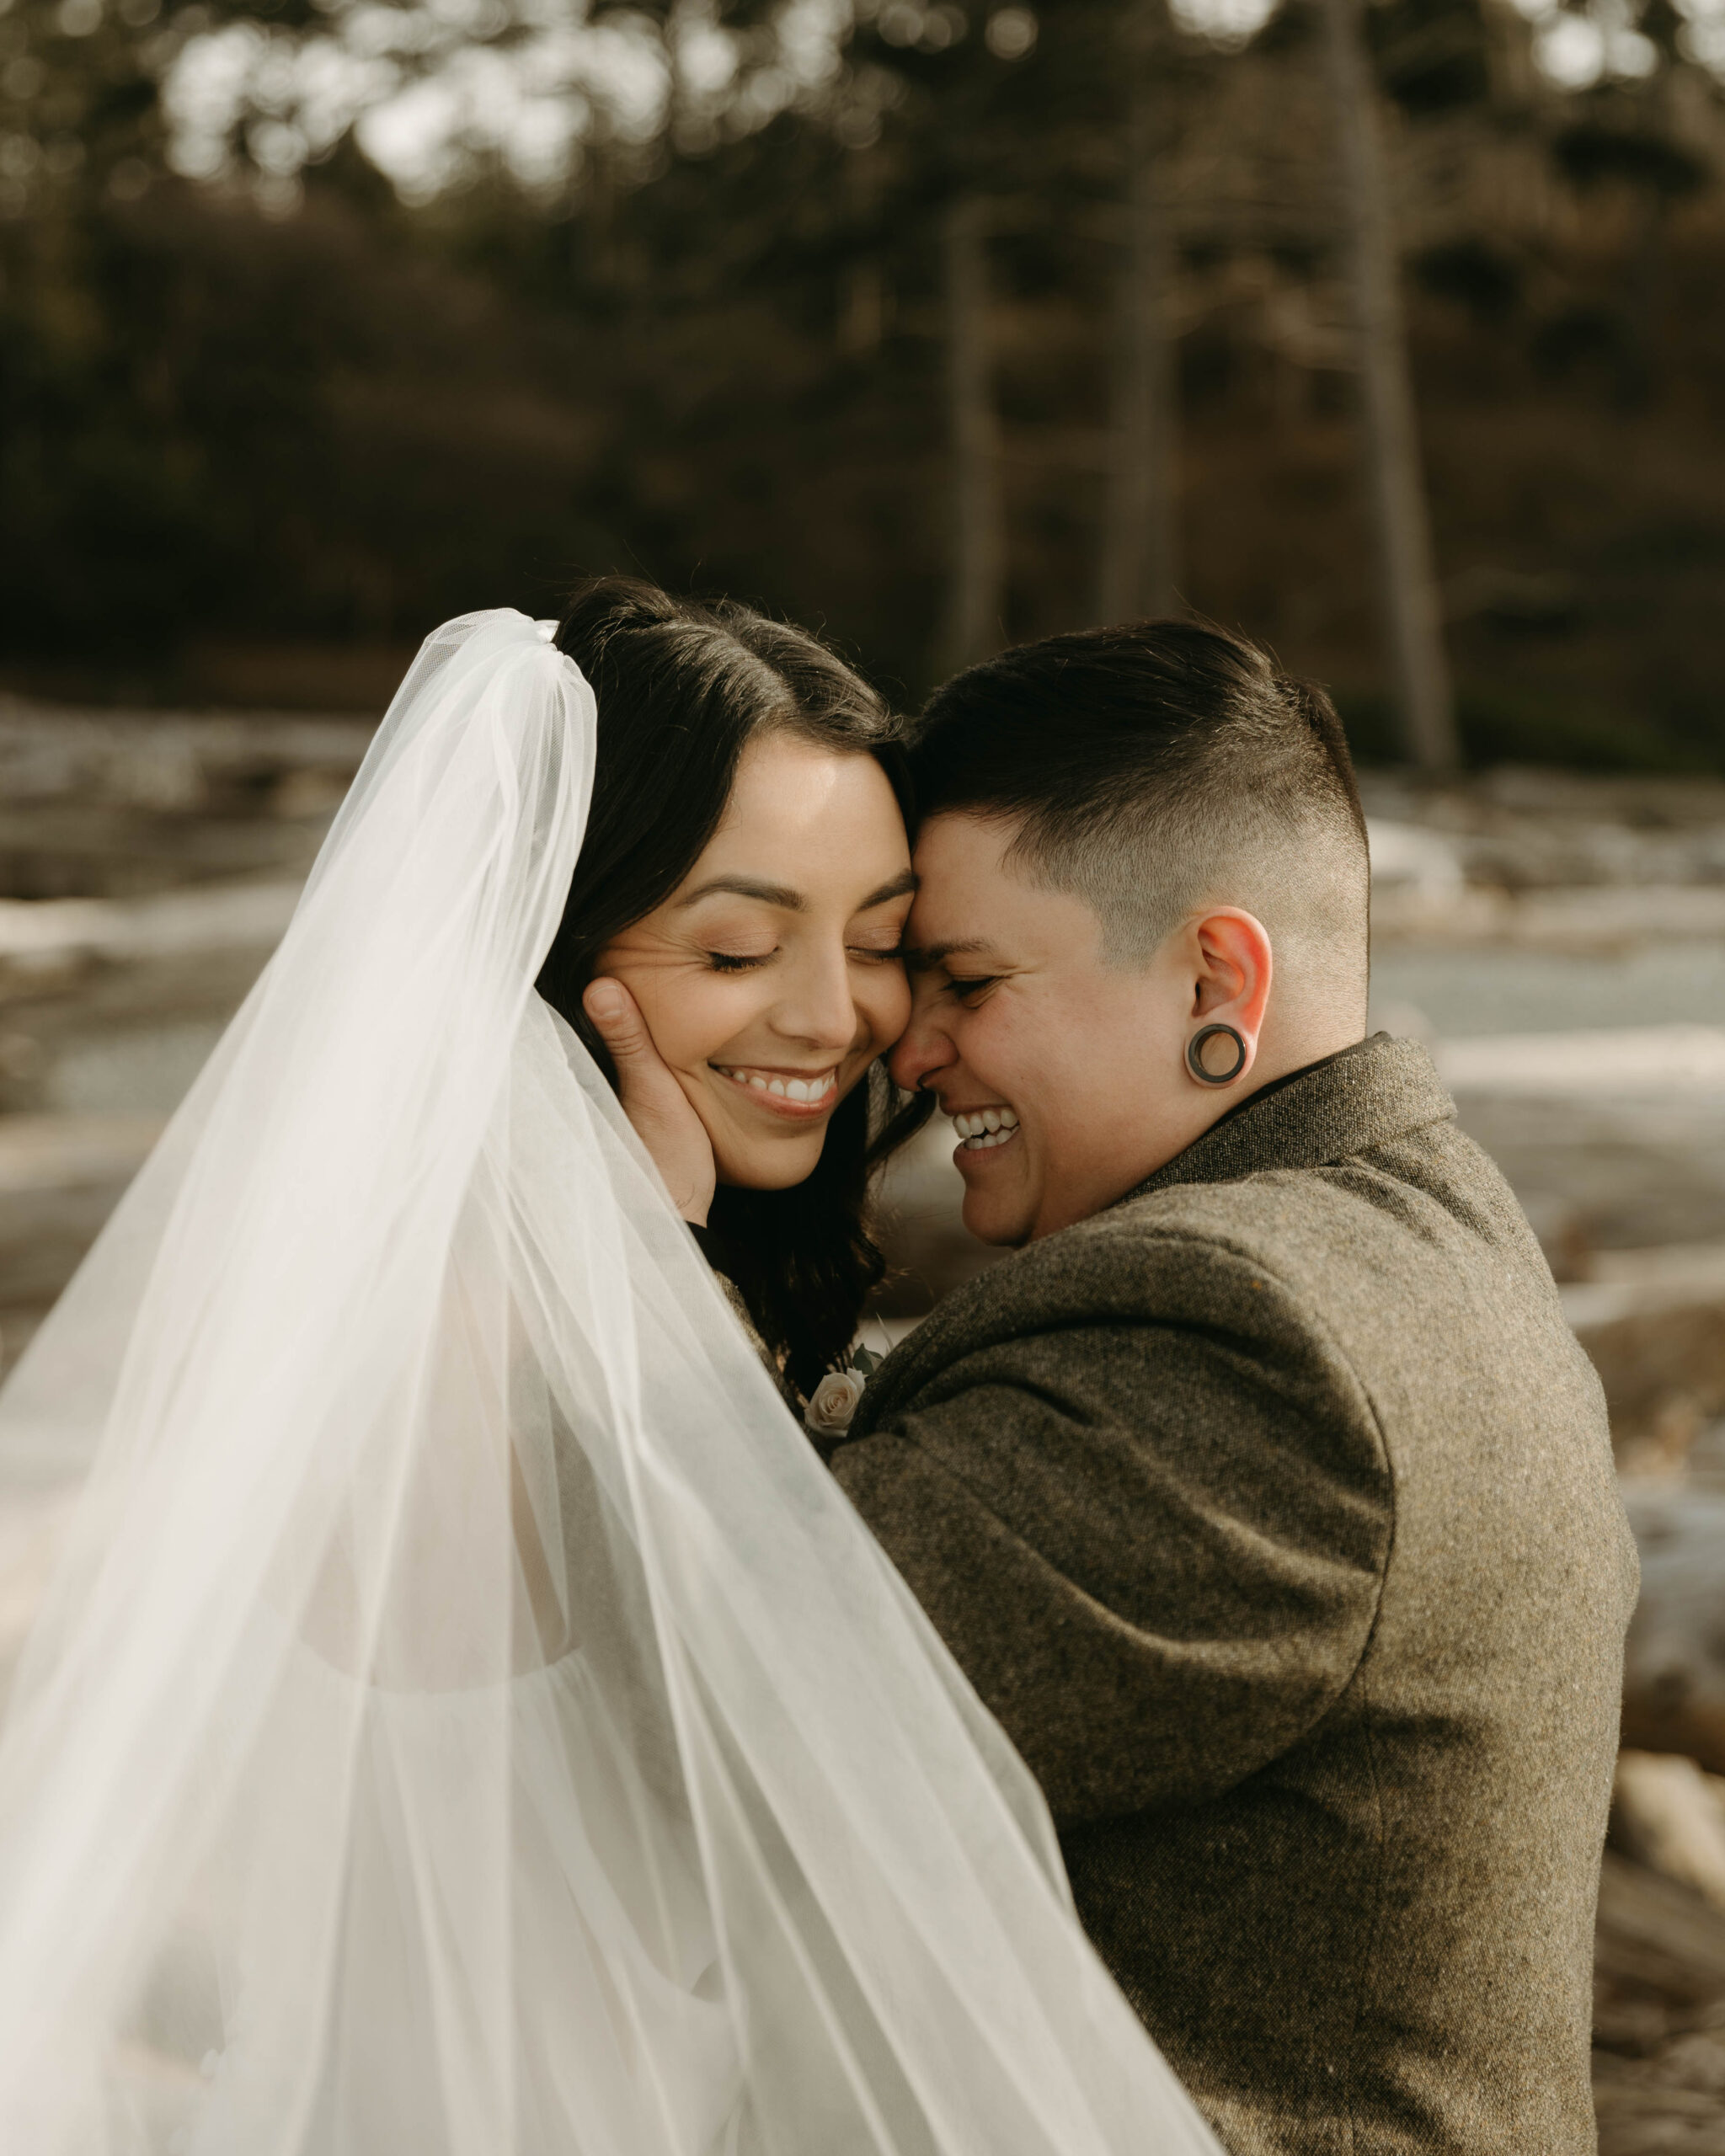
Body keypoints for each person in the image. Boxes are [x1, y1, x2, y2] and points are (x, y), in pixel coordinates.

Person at [0, 589, 1220, 2156]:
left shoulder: (563, 1280)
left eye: (876, 941)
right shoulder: (478, 1337)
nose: (833, 1013)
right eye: (735, 943)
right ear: (561, 945)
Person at [819, 621, 1641, 2154]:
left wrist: (644, 1218)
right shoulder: (1422, 1227)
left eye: (968, 979)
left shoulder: (1246, 1336)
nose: (909, 1047)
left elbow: (715, 1664)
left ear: (1217, 971)